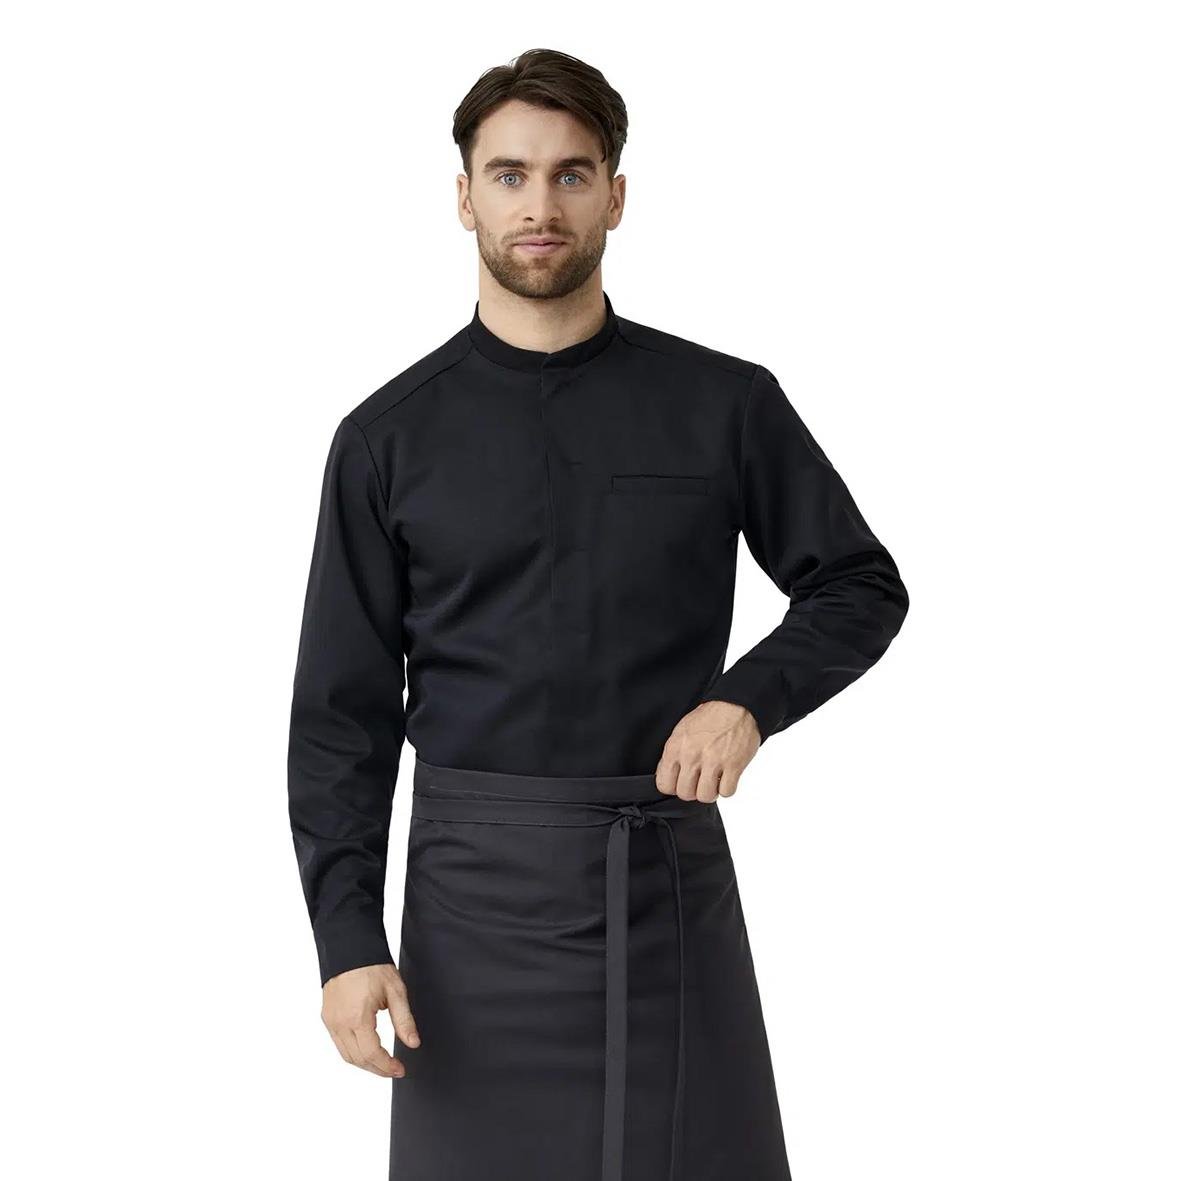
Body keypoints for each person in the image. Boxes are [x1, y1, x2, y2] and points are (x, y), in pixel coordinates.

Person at [287, 47, 909, 1181]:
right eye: (510, 175)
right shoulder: (386, 438)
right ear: (463, 196)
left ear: (615, 196)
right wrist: (344, 941)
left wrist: (746, 702)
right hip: (467, 913)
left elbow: (858, 582)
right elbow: (342, 716)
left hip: (659, 886)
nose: (540, 205)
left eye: (570, 174)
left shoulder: (721, 403)